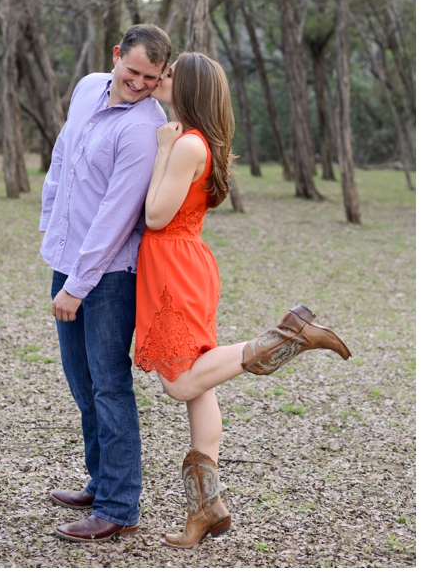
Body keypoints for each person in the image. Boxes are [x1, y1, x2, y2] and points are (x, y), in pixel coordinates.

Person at [134, 52, 351, 549]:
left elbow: (154, 216)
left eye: (168, 75)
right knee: (198, 386)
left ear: (187, 89)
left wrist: (163, 150)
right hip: (184, 265)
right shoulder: (202, 141)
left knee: (179, 383)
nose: (160, 79)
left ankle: (285, 337)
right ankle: (205, 510)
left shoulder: (187, 144)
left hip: (173, 269)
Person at [39, 24, 171, 543]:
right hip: (68, 258)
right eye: (133, 71)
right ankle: (100, 481)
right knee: (80, 381)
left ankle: (119, 505)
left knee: (110, 385)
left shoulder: (143, 126)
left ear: (162, 76)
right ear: (117, 57)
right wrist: (50, 224)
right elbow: (62, 156)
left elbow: (118, 216)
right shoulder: (88, 86)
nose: (139, 83)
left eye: (151, 77)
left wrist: (78, 285)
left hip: (109, 274)